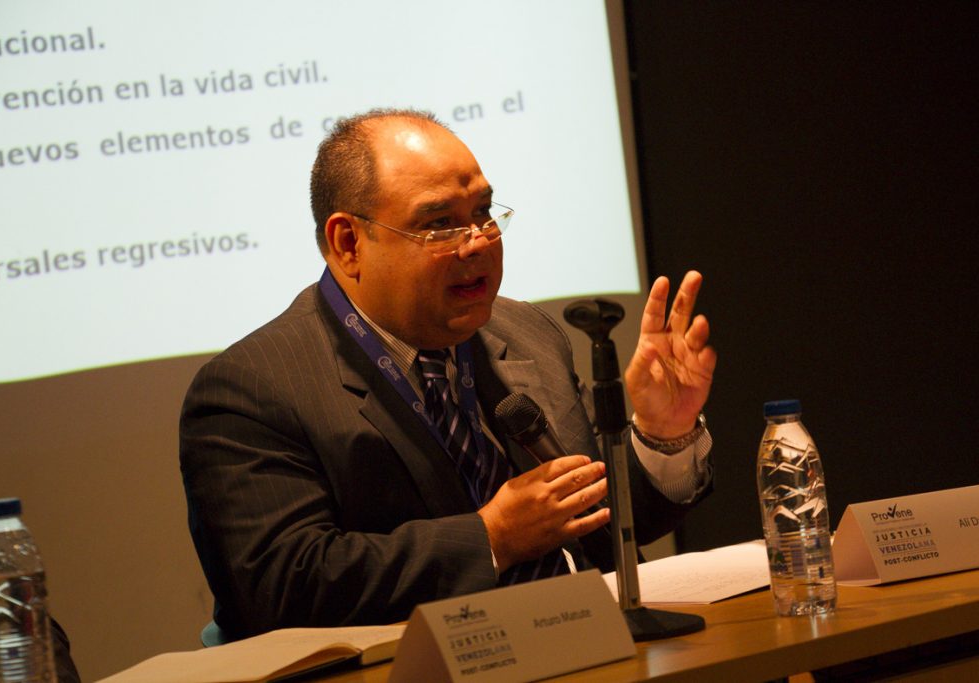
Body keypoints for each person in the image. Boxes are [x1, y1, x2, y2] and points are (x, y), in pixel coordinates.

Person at [180, 108, 717, 640]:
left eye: (483, 211)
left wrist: (662, 434)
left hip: (585, 643)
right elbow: (281, 586)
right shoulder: (253, 389)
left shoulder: (526, 333)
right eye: (439, 223)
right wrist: (493, 537)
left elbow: (604, 525)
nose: (479, 241)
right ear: (348, 243)